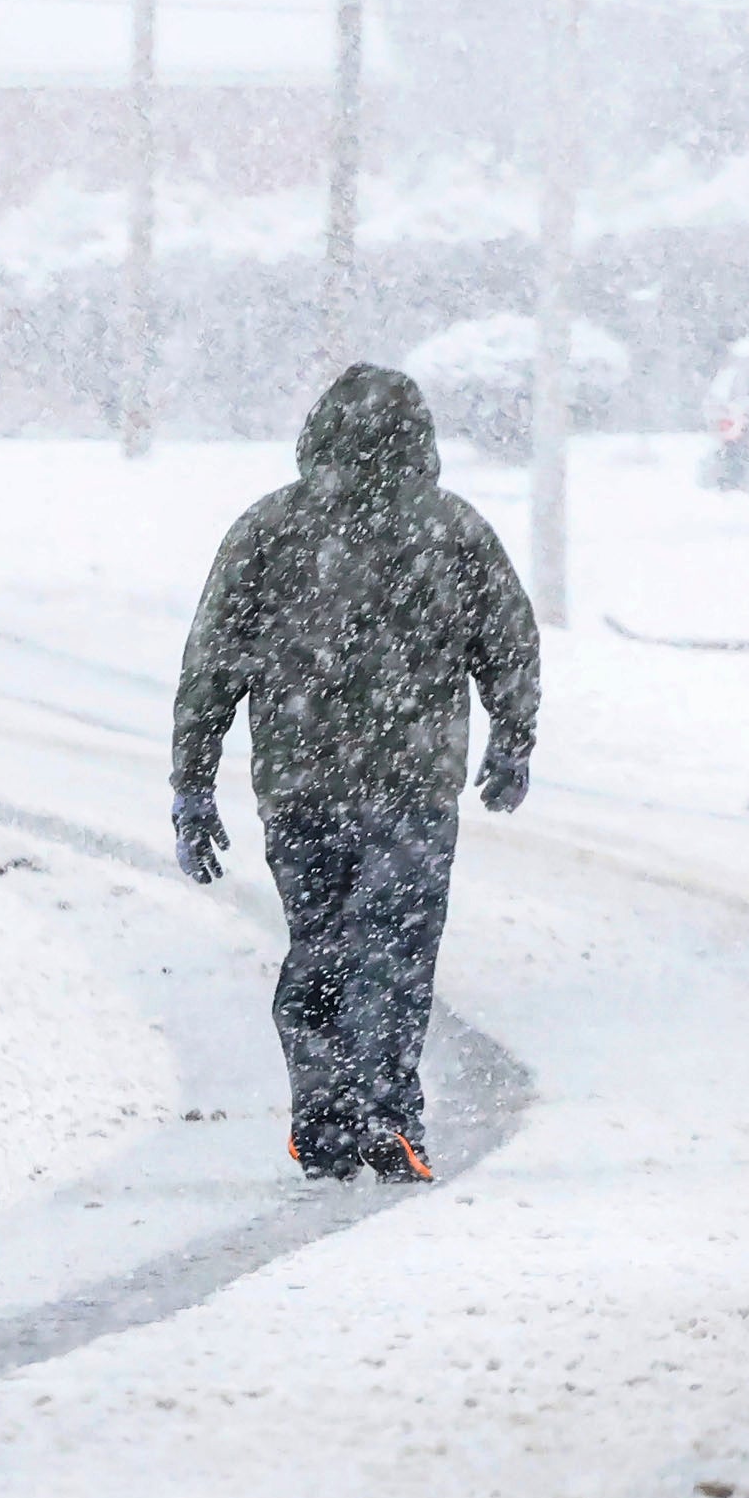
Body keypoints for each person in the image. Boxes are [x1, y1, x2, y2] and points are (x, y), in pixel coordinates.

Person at [171, 365, 540, 1182]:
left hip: (302, 787)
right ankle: (387, 1109)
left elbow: (212, 664)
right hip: (412, 786)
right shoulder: (452, 528)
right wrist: (512, 737)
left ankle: (325, 1113)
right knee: (396, 949)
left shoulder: (268, 529)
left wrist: (192, 783)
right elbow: (508, 640)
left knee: (321, 945)